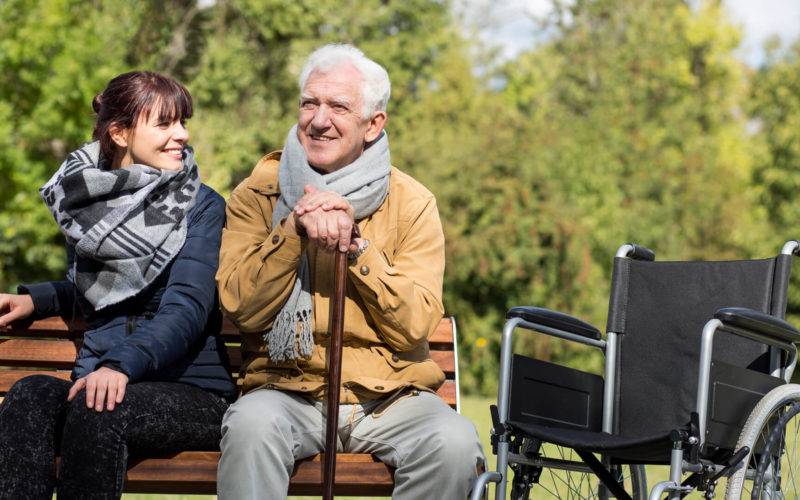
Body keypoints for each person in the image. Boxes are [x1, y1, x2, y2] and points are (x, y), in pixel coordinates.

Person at [216, 43, 484, 499]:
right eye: (310, 103)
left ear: (373, 124)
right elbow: (242, 307)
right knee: (250, 428)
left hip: (390, 399)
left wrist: (357, 247)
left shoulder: (412, 202)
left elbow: (416, 324)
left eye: (339, 106)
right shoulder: (257, 193)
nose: (319, 120)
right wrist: (294, 229)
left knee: (454, 444)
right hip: (287, 391)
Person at [0, 71, 235, 499]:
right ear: (120, 132)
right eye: (164, 124)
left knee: (99, 409)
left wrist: (119, 365)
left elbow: (187, 307)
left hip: (192, 391)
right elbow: (100, 291)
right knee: (29, 394)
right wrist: (40, 300)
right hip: (103, 380)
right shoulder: (86, 205)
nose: (181, 134)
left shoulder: (202, 206)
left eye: (183, 121)